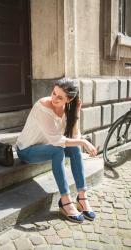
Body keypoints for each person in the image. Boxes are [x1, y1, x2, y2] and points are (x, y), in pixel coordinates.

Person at [16, 78, 97, 223]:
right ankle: (65, 201)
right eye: (54, 93)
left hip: (48, 146)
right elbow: (57, 141)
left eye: (60, 97)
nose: (54, 98)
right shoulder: (42, 106)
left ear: (69, 99)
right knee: (58, 151)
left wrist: (76, 113)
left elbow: (73, 136)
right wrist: (84, 142)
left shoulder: (68, 109)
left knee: (75, 149)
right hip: (26, 150)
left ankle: (82, 197)